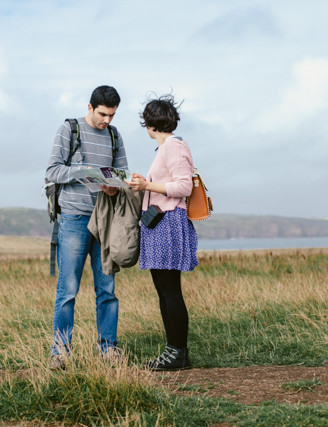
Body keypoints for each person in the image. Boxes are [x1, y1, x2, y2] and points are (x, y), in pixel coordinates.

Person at [45, 85, 128, 370]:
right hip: (74, 219)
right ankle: (60, 352)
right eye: (103, 114)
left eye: (112, 115)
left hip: (105, 221)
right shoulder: (69, 129)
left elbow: (122, 175)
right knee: (67, 290)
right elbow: (52, 171)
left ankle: (108, 349)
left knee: (108, 290)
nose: (107, 121)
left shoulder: (115, 136)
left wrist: (114, 187)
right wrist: (83, 171)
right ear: (90, 107)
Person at [126, 94, 198, 371]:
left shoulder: (173, 147)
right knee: (164, 290)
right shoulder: (167, 148)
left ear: (149, 124)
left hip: (168, 223)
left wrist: (146, 187)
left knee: (170, 291)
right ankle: (173, 352)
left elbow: (183, 187)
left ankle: (178, 353)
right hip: (159, 223)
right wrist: (146, 183)